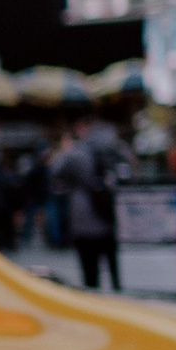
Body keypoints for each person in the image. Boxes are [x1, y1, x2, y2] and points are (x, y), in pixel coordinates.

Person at [55, 120, 120, 289]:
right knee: (113, 267)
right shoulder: (113, 150)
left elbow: (56, 171)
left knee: (89, 272)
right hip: (107, 217)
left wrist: (65, 150)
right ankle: (118, 295)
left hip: (83, 219)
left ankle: (92, 299)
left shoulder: (76, 153)